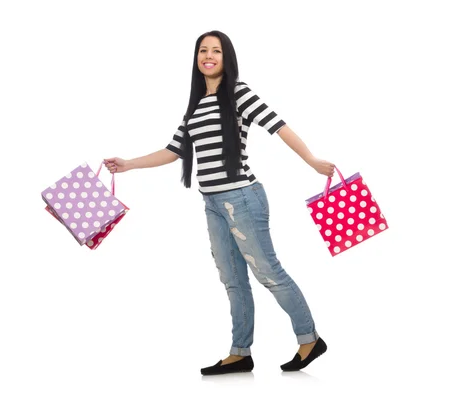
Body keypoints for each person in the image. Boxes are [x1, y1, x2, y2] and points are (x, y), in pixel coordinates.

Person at [104, 30, 334, 375]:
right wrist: (129, 164)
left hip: (242, 198)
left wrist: (312, 160)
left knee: (268, 273)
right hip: (212, 202)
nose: (208, 56)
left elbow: (280, 127)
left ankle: (309, 337)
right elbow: (174, 150)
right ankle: (240, 352)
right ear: (196, 59)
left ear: (227, 57)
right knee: (233, 279)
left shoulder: (238, 94)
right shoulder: (196, 106)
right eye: (202, 51)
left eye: (216, 50)